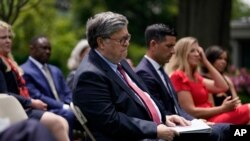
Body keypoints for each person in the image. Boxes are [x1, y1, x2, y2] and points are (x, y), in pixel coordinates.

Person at [73, 11, 192, 141]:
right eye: (122, 40)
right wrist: (154, 129)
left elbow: (142, 99)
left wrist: (163, 117)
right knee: (213, 134)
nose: (127, 43)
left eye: (128, 38)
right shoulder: (90, 75)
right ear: (101, 42)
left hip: (149, 132)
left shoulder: (119, 61)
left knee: (214, 131)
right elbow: (110, 121)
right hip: (134, 137)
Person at [135, 23, 231, 141]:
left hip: (183, 124)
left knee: (231, 130)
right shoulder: (144, 73)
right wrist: (191, 123)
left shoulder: (159, 69)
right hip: (169, 130)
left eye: (174, 46)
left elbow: (177, 108)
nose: (173, 51)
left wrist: (195, 121)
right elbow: (157, 113)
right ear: (153, 45)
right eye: (169, 46)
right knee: (222, 132)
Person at [0, 20, 69, 141]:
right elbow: (4, 95)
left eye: (10, 37)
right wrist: (31, 102)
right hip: (9, 111)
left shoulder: (9, 61)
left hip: (21, 107)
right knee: (58, 122)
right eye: (3, 37)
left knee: (62, 122)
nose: (8, 41)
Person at [168, 36, 250, 125]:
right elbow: (190, 111)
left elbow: (223, 87)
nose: (197, 54)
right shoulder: (178, 76)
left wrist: (205, 61)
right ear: (183, 54)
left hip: (213, 117)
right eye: (192, 51)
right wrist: (222, 108)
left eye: (198, 51)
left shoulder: (196, 76)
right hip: (203, 122)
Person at [21, 35, 77, 139]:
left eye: (49, 48)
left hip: (65, 108)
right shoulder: (24, 70)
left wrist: (71, 104)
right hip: (45, 111)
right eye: (44, 48)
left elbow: (66, 91)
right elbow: (37, 96)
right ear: (32, 49)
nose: (47, 51)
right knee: (68, 114)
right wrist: (63, 107)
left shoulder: (55, 70)